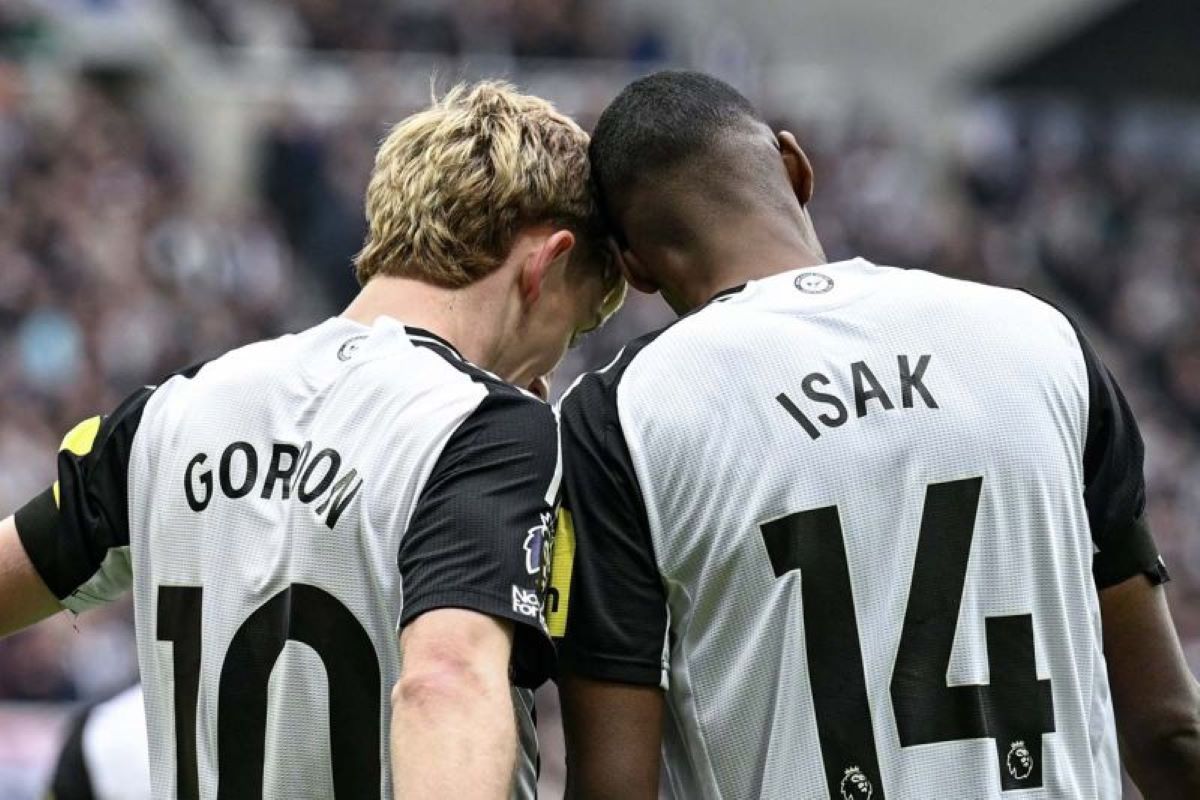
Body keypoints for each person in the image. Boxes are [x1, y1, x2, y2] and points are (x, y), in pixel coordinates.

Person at [549, 69, 1200, 799]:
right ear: (797, 167)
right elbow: (1168, 730)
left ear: (633, 268)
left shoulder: (622, 417)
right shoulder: (1039, 338)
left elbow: (613, 786)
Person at [0, 80, 623, 799]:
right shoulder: (486, 429)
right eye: (576, 328)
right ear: (546, 263)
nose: (551, 369)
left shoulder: (173, 409)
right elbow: (444, 680)